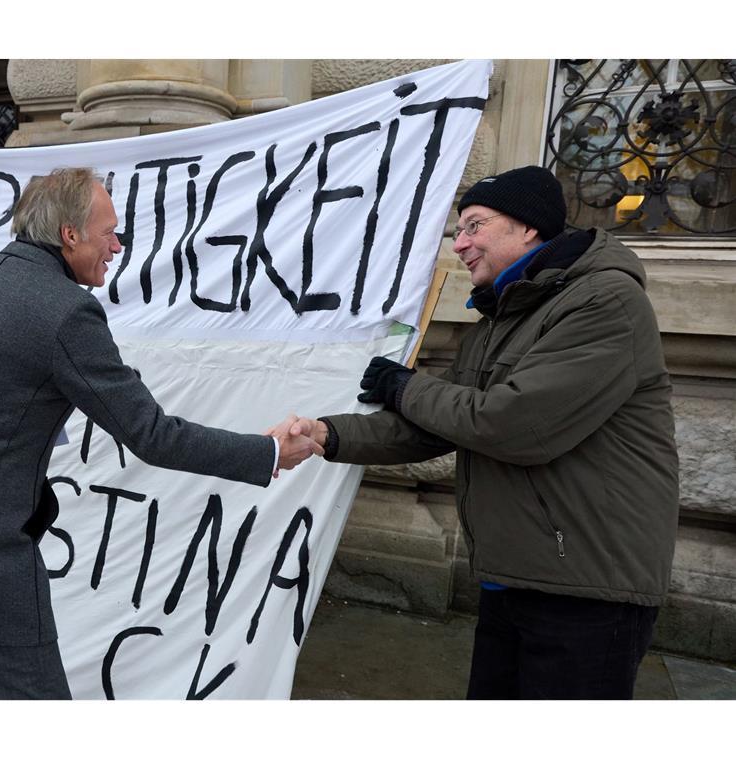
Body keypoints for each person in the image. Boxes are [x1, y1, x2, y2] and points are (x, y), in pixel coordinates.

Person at [0, 168, 322, 700]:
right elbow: (151, 435)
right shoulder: (66, 311)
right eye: (110, 232)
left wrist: (10, 414)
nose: (118, 245)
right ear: (70, 234)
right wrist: (266, 452)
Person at [282, 166, 679, 699]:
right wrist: (328, 434)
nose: (461, 244)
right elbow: (438, 424)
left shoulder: (604, 302)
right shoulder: (506, 314)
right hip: (516, 574)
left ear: (529, 228)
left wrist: (405, 387)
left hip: (586, 588)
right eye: (458, 232)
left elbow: (509, 424)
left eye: (474, 226)